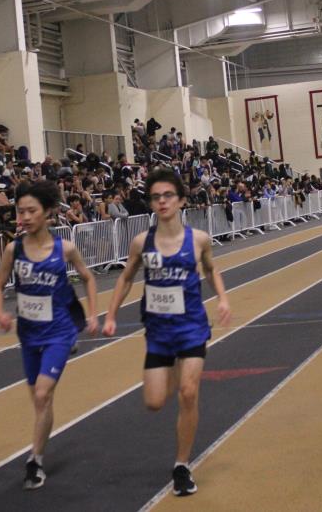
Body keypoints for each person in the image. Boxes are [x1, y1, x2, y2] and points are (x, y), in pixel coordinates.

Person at [102, 168, 231, 497]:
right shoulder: (141, 243)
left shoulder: (198, 239)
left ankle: (181, 466)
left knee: (188, 393)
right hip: (158, 331)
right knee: (155, 402)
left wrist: (222, 298)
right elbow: (126, 278)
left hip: (191, 327)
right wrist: (111, 314)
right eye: (156, 197)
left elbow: (212, 270)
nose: (162, 202)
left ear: (181, 201)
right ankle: (174, 368)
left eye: (168, 196)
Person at [0, 180, 98, 490]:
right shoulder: (13, 249)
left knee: (42, 394)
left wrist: (93, 313)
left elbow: (88, 278)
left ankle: (34, 460)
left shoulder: (65, 249)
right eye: (20, 211)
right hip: (28, 334)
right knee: (41, 403)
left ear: (47, 212)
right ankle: (39, 451)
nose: (24, 217)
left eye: (31, 211)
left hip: (59, 332)